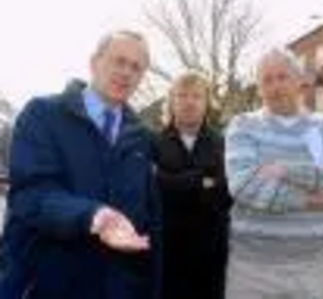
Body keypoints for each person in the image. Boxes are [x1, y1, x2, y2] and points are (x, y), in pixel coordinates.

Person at [0, 30, 162, 299]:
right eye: (118, 61)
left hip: (118, 287)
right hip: (48, 282)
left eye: (136, 67)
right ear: (94, 62)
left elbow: (149, 218)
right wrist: (93, 216)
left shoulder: (141, 137)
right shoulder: (42, 114)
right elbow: (31, 194)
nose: (126, 73)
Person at [224, 48, 323, 299]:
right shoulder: (243, 125)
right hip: (251, 271)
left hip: (313, 270)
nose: (275, 87)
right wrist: (310, 200)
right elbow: (244, 187)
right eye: (267, 80)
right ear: (259, 88)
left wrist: (284, 170)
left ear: (299, 81)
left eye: (282, 77)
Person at [153, 72, 231, 299]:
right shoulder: (154, 142)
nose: (189, 102)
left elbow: (225, 191)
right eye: (182, 95)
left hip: (212, 255)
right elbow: (154, 187)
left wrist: (171, 180)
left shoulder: (222, 143)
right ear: (171, 102)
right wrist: (202, 180)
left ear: (207, 103)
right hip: (169, 255)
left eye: (197, 96)